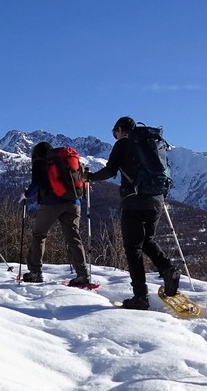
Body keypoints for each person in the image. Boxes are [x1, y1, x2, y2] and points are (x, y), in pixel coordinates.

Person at [86, 116, 180, 310]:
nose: (115, 136)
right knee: (148, 240)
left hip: (134, 202)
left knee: (133, 248)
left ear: (120, 129)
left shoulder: (123, 144)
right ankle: (168, 269)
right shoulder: (151, 143)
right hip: (156, 200)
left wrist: (90, 177)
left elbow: (110, 170)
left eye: (115, 133)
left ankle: (140, 297)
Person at [21, 141, 94, 287]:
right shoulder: (65, 161)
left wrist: (26, 194)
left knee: (39, 235)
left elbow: (37, 183)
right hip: (74, 202)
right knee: (73, 238)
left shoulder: (41, 162)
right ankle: (82, 274)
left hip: (52, 203)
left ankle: (35, 272)